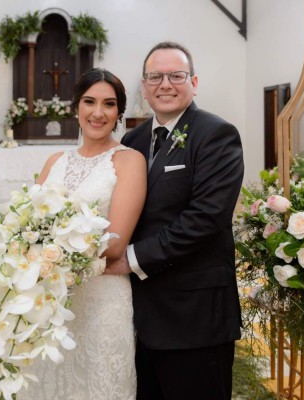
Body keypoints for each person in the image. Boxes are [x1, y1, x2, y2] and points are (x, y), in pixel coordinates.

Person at [106, 41, 244, 400]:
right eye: (155, 76)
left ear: (194, 82)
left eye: (176, 75)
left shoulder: (216, 134)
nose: (165, 84)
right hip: (140, 312)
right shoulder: (132, 141)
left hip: (195, 315)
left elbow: (205, 218)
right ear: (144, 87)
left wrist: (130, 258)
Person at [18, 68, 147, 399]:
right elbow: (27, 225)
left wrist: (47, 253)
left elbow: (115, 242)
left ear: (119, 112)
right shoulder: (55, 161)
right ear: (76, 106)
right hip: (49, 297)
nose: (98, 113)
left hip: (101, 297)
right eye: (89, 102)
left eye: (109, 104)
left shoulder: (128, 161)